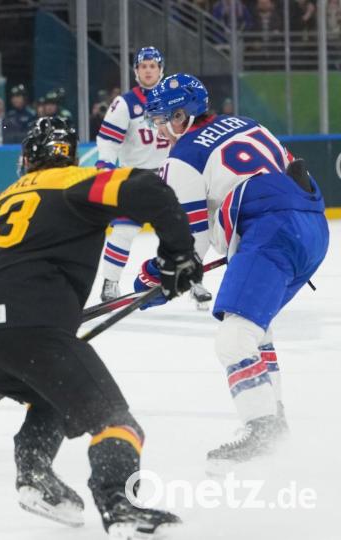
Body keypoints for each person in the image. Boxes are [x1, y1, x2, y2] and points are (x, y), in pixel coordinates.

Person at [0, 116, 199, 536]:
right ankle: (120, 505)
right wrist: (179, 254)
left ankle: (35, 474)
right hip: (27, 325)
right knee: (116, 422)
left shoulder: (3, 199)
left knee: (50, 399)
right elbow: (149, 189)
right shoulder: (73, 180)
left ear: (27, 159)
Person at [137, 73, 328, 469]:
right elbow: (284, 172)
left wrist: (153, 278)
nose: (159, 130)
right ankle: (274, 418)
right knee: (255, 329)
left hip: (272, 231)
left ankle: (262, 429)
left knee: (233, 338)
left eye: (161, 120)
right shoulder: (247, 123)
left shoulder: (183, 157)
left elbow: (189, 247)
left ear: (181, 115)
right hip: (313, 225)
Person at [95, 47, 179, 304]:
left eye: (153, 66)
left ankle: (190, 280)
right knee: (123, 230)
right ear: (136, 72)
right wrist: (105, 167)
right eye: (144, 66)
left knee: (185, 232)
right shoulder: (125, 104)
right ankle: (110, 283)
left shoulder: (175, 101)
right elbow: (108, 141)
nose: (148, 70)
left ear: (161, 70)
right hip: (136, 178)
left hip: (172, 176)